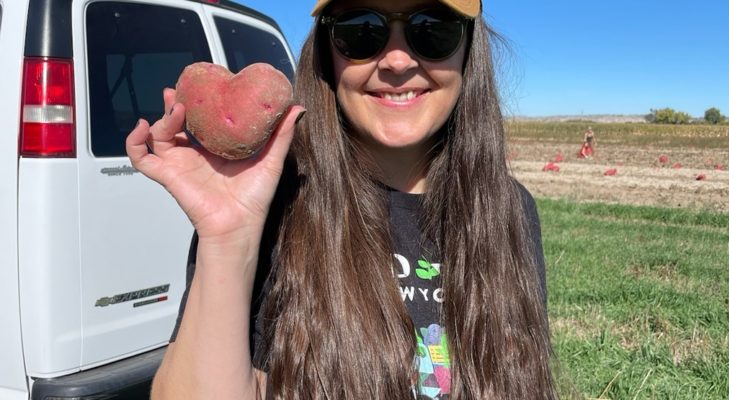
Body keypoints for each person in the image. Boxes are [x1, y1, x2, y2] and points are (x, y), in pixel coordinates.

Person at [126, 0, 557, 398]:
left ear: (468, 50)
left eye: (432, 29)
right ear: (327, 53)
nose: (397, 61)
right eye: (361, 30)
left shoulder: (507, 209)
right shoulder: (277, 205)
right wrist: (227, 238)